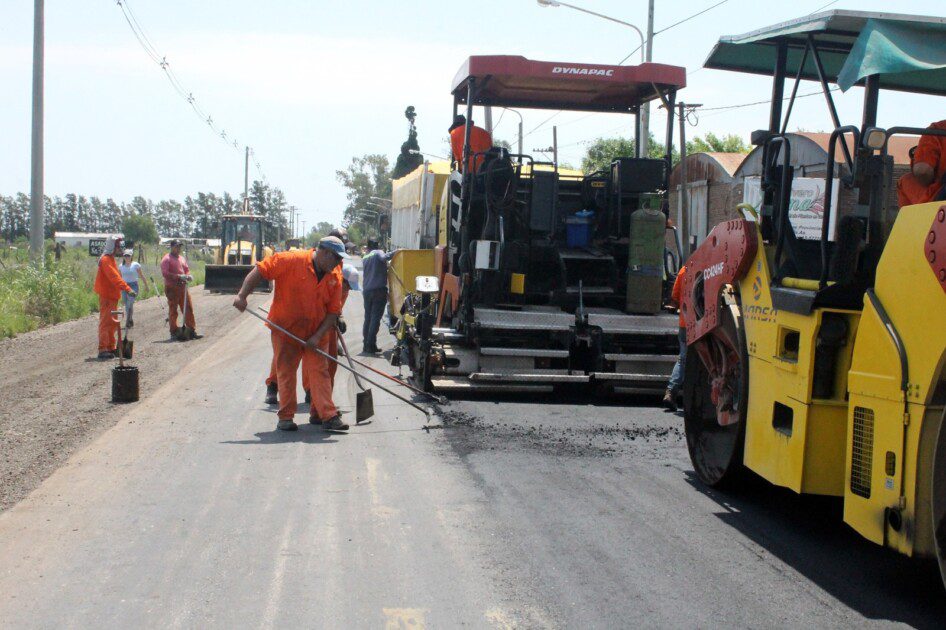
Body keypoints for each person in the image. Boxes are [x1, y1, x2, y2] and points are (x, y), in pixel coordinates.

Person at [234, 236, 349, 433]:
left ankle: (326, 416)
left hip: (316, 331)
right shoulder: (290, 260)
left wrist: (316, 336)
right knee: (286, 372)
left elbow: (332, 312)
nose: (339, 263)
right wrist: (242, 295)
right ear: (325, 253)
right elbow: (260, 270)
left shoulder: (335, 275)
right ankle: (285, 417)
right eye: (337, 258)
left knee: (320, 371)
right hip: (286, 330)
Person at [93, 235, 134, 359]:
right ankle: (103, 349)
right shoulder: (106, 260)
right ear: (113, 246)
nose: (119, 248)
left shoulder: (110, 259)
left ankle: (111, 347)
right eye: (117, 246)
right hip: (107, 296)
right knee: (106, 322)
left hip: (112, 297)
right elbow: (114, 278)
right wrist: (127, 288)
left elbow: (117, 277)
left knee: (112, 323)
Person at [897, 119, 946, 207]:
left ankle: (917, 219)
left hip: (941, 200)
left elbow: (923, 171)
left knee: (905, 181)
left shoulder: (938, 129)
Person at [362, 238, 394, 354]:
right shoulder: (377, 252)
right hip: (378, 291)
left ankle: (367, 345)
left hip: (367, 291)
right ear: (377, 246)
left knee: (368, 318)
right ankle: (370, 345)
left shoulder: (365, 256)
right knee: (375, 318)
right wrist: (398, 251)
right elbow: (384, 257)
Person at [160, 239, 198, 339]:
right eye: (176, 246)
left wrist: (188, 275)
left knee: (188, 308)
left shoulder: (181, 258)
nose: (178, 248)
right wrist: (178, 276)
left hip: (183, 287)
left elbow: (186, 269)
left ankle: (191, 331)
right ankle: (173, 332)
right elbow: (165, 273)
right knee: (173, 310)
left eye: (179, 247)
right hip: (172, 287)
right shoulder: (166, 259)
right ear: (171, 247)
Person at [664, 265, 688, 411]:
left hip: (684, 323)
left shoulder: (684, 270)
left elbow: (675, 296)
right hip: (705, 323)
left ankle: (671, 392)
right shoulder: (712, 268)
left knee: (683, 358)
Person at [118, 249, 148, 328]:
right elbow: (120, 278)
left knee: (129, 303)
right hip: (124, 286)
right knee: (127, 304)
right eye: (125, 255)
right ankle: (130, 319)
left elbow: (141, 275)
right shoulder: (121, 266)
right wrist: (119, 288)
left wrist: (146, 285)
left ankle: (128, 321)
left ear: (131, 256)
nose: (127, 257)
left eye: (128, 255)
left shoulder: (136, 265)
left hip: (134, 286)